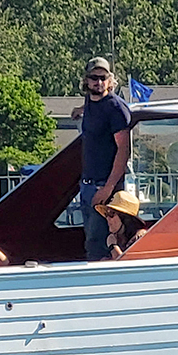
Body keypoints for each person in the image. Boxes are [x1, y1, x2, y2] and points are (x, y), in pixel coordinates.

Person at [70, 57, 132, 261]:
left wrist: (108, 188)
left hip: (106, 188)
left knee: (100, 245)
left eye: (103, 78)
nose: (99, 82)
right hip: (86, 185)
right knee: (90, 240)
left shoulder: (115, 108)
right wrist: (80, 111)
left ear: (110, 80)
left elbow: (123, 150)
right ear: (86, 81)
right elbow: (92, 108)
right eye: (94, 78)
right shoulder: (90, 101)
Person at [94, 190, 147, 260]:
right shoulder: (118, 237)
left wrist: (113, 246)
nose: (107, 218)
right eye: (106, 214)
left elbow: (125, 266)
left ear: (125, 218)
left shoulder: (140, 237)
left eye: (111, 214)